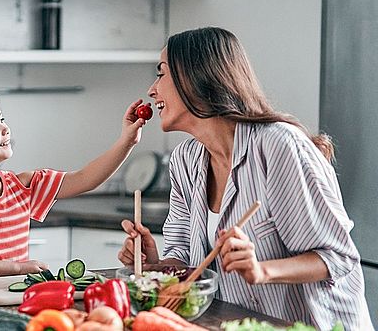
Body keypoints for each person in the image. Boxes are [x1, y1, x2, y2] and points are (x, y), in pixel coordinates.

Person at [116, 27, 373, 330]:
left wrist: (262, 270)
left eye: (161, 74)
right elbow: (187, 264)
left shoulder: (277, 146)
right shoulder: (186, 160)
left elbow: (338, 257)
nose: (152, 89)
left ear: (197, 77)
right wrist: (156, 265)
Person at [0, 87, 147, 281]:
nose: (5, 128)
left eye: (2, 120)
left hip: (8, 295)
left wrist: (126, 141)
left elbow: (86, 179)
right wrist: (18, 269)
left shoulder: (23, 185)